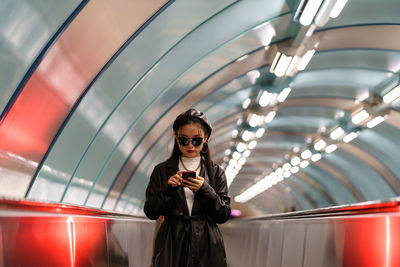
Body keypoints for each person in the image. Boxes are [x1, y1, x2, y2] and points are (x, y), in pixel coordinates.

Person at [144, 108, 231, 267]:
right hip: (172, 243)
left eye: (196, 140)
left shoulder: (216, 172)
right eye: (184, 140)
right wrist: (169, 189)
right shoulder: (162, 171)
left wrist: (204, 190)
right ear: (176, 138)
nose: (190, 145)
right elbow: (151, 211)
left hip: (207, 244)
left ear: (206, 138)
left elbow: (223, 214)